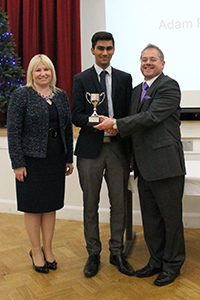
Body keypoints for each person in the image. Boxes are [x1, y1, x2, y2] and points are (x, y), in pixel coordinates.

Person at [94, 44, 186, 286]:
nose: (147, 63)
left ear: (162, 64)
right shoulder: (137, 90)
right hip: (143, 167)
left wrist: (116, 123)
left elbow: (151, 117)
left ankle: (172, 265)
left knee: (171, 219)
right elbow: (134, 124)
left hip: (166, 166)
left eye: (153, 59)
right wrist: (116, 127)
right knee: (151, 219)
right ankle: (155, 261)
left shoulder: (169, 86)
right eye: (144, 59)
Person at [72, 31, 134, 277]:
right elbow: (75, 114)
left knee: (119, 203)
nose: (104, 52)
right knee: (90, 204)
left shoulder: (124, 78)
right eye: (100, 48)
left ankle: (117, 251)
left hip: (118, 149)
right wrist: (95, 121)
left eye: (109, 48)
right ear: (92, 50)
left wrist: (115, 124)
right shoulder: (81, 79)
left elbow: (129, 115)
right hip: (90, 150)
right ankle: (93, 253)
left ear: (114, 50)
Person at [7, 54, 73, 273]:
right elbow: (14, 131)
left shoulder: (61, 95)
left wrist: (68, 158)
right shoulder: (21, 95)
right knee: (34, 208)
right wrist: (17, 163)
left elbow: (66, 128)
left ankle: (49, 249)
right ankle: (36, 250)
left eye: (47, 70)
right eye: (38, 70)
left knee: (50, 206)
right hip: (31, 161)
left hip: (55, 159)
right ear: (31, 73)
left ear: (52, 72)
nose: (43, 74)